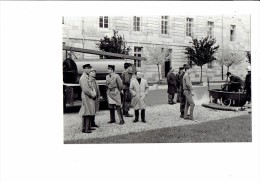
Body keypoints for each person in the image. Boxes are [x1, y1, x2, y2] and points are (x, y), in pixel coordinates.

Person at [79, 64, 97, 133]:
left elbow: (91, 87)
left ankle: (88, 127)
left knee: (89, 111)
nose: (90, 70)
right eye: (88, 68)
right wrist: (93, 94)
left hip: (89, 96)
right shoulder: (83, 78)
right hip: (87, 96)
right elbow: (86, 89)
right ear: (85, 69)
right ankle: (85, 129)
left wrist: (93, 93)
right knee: (86, 112)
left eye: (90, 68)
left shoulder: (87, 77)